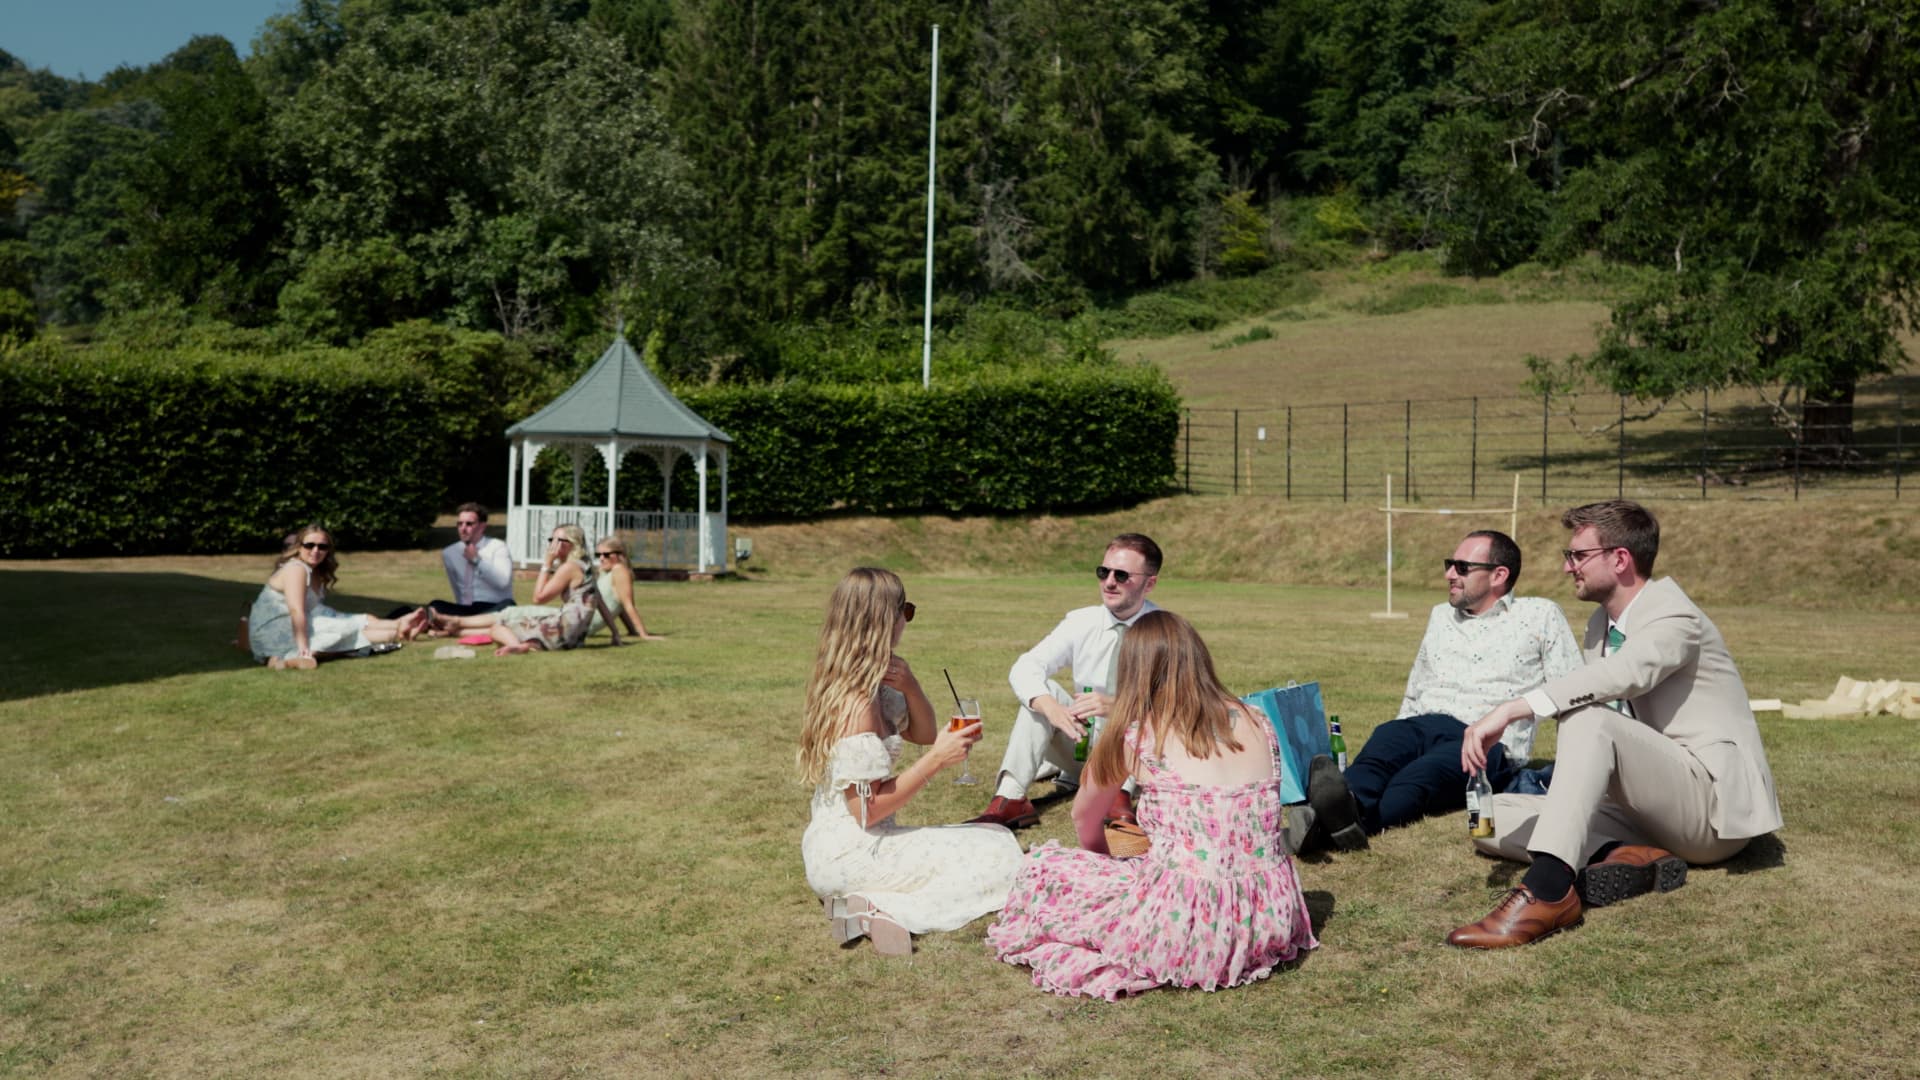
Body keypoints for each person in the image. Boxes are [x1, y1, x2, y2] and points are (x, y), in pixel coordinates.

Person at [1446, 500, 1783, 948]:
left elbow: (1625, 676)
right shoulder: (1599, 623)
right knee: (1489, 819)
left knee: (1590, 719)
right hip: (1647, 806)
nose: (1568, 568)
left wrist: (1512, 709)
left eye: (1577, 556)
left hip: (1708, 813)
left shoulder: (1674, 616)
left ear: (1620, 558)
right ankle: (1629, 859)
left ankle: (1548, 892)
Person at [988, 610, 1319, 998]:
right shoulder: (1259, 718)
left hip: (1186, 922)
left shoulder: (1139, 736)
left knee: (1043, 867)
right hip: (1268, 915)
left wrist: (1107, 870)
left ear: (1135, 670)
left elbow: (1084, 819)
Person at [1302, 530, 1579, 850]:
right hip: (1422, 722)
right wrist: (1399, 726)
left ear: (1498, 575)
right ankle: (1340, 808)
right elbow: (1418, 681)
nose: (1449, 574)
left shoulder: (1540, 615)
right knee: (1380, 753)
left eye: (1462, 567)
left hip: (1486, 738)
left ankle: (1329, 826)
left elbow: (1570, 688)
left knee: (1417, 778)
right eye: (1450, 564)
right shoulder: (1440, 616)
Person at [798, 568, 1024, 956]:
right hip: (854, 849)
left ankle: (861, 903)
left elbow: (921, 732)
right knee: (999, 861)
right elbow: (865, 811)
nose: (908, 618)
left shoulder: (869, 682)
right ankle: (876, 907)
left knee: (997, 840)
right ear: (884, 618)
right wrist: (935, 761)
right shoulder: (856, 703)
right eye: (906, 609)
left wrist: (911, 685)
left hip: (847, 843)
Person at [969, 533, 1163, 831]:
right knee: (1040, 695)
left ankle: (1119, 797)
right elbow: (1027, 666)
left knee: (1146, 718)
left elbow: (1180, 706)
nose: (1109, 582)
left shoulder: (1166, 630)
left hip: (1135, 761)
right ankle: (1010, 799)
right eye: (1104, 572)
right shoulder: (1081, 621)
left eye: (1122, 575)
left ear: (1149, 582)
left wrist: (1117, 706)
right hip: (1081, 747)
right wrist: (1049, 707)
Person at [425, 523, 623, 655]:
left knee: (498, 627)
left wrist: (546, 565)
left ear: (572, 545)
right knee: (501, 622)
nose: (552, 545)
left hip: (560, 633)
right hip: (574, 637)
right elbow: (600, 602)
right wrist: (615, 633)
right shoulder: (585, 565)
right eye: (551, 540)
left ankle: (517, 646)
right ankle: (449, 628)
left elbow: (538, 598)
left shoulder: (569, 568)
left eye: (558, 541)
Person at [248, 524, 425, 669]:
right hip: (276, 629)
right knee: (349, 632)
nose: (315, 550)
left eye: (322, 546)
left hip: (305, 620)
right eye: (309, 545)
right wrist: (303, 648)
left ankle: (400, 626)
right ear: (299, 546)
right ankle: (289, 659)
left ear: (328, 550)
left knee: (364, 623)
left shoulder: (314, 571)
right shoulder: (296, 569)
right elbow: (296, 611)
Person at [431, 502, 516, 616]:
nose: (463, 528)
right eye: (460, 524)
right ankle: (466, 623)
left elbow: (503, 582)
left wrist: (477, 560)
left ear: (482, 526)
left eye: (469, 524)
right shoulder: (449, 553)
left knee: (508, 605)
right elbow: (456, 588)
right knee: (435, 605)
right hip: (466, 609)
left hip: (493, 606)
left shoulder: (498, 547)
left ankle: (460, 624)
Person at [586, 536, 667, 641]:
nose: (601, 558)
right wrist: (631, 630)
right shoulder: (606, 572)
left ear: (620, 555)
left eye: (606, 555)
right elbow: (619, 605)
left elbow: (628, 605)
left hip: (581, 624)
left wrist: (643, 635)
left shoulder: (619, 570)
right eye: (598, 555)